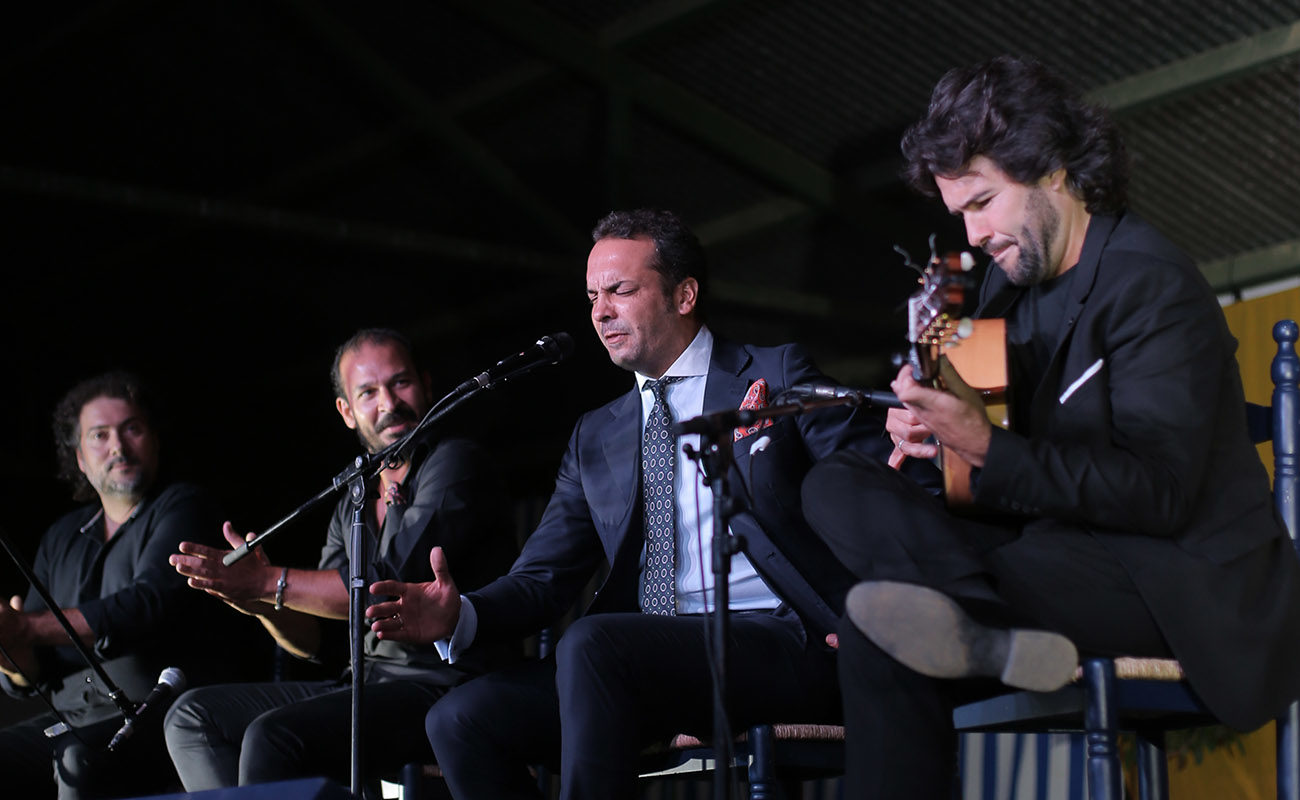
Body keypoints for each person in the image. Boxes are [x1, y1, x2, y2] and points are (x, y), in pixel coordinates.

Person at [801, 54, 1300, 798]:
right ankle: (978, 624)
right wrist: (941, 442)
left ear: (1054, 169)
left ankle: (971, 623)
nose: (971, 240)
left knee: (881, 630)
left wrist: (984, 445)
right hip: (1043, 551)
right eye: (958, 215)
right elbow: (1001, 466)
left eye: (981, 204)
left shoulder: (1150, 285)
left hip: (1163, 576)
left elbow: (1160, 494)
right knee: (838, 480)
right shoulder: (1003, 289)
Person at [365, 208, 910, 799]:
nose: (600, 312)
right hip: (641, 660)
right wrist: (460, 614)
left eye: (620, 290)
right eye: (592, 296)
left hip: (779, 641)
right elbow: (543, 578)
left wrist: (868, 616)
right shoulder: (596, 433)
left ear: (683, 296)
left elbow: (876, 490)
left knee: (595, 645)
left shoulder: (775, 373)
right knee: (460, 718)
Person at [163, 328, 519, 795]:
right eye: (368, 392)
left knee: (273, 736)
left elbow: (376, 586)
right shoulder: (354, 495)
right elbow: (322, 636)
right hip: (364, 681)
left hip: (444, 684)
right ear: (346, 412)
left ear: (427, 386)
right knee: (192, 718)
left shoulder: (454, 462)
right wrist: (261, 603)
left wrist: (267, 581)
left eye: (401, 382)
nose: (389, 402)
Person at [0, 371, 264, 799]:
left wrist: (26, 629)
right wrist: (11, 652)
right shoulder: (60, 536)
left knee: (78, 759)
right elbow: (32, 669)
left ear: (155, 440)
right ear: (80, 458)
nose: (118, 446)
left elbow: (147, 603)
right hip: (72, 717)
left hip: (163, 716)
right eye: (100, 435)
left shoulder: (183, 505)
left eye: (132, 429)